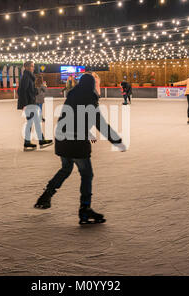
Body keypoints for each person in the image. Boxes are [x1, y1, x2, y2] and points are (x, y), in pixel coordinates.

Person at [34, 73, 127, 225]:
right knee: (86, 174)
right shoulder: (90, 99)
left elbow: (73, 117)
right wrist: (117, 141)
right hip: (76, 142)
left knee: (66, 168)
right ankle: (85, 209)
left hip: (61, 138)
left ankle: (45, 196)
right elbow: (100, 124)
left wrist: (87, 131)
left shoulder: (72, 97)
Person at [17, 61, 53, 151]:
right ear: (26, 67)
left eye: (33, 66)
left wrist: (37, 89)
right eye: (31, 66)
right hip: (29, 104)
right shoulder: (26, 77)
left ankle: (37, 141)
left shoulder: (28, 77)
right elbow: (21, 91)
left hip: (31, 102)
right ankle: (31, 142)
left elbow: (30, 90)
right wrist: (24, 105)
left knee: (35, 121)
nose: (33, 68)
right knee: (31, 122)